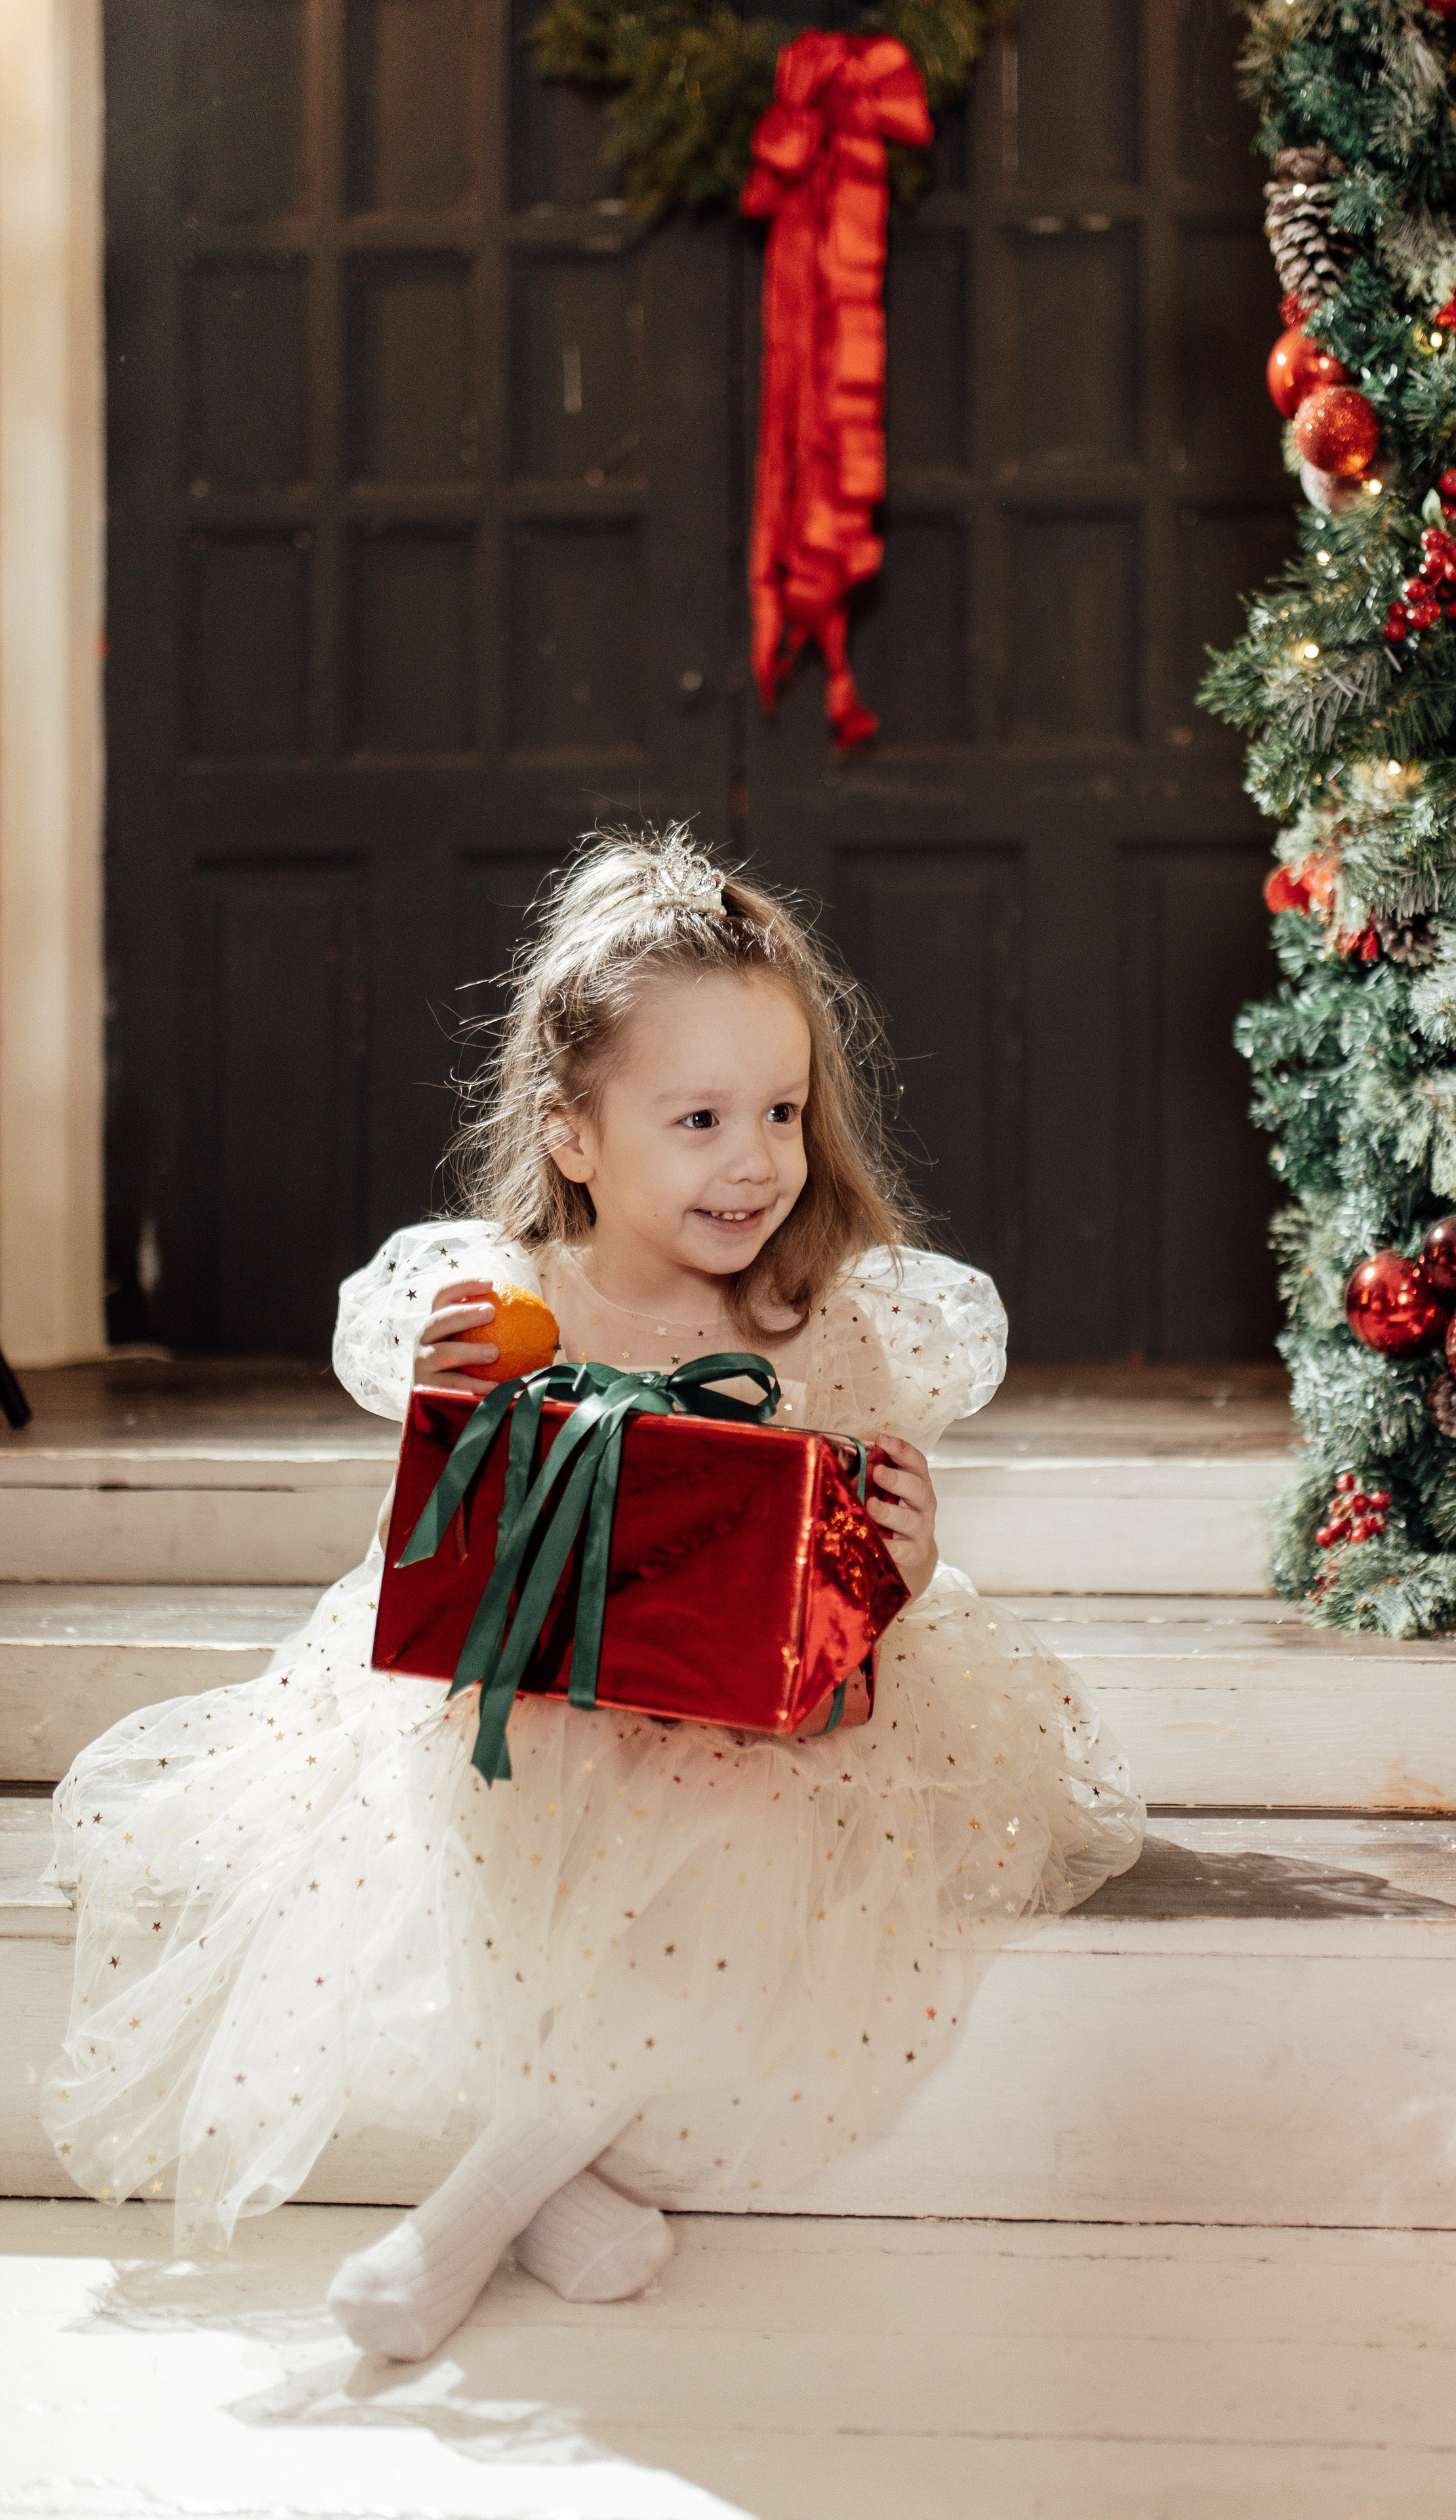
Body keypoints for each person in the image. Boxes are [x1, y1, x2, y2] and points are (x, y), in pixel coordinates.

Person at [43, 829, 1144, 2360]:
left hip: (754, 1719)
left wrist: (891, 1557)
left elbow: (834, 1602)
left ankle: (466, 2219)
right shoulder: (505, 1298)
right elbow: (442, 1533)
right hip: (529, 1678)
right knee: (482, 1802)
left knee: (736, 1835)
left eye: (777, 1110)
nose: (753, 1158)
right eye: (695, 1118)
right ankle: (548, 2178)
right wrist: (452, 1417)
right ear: (573, 1135)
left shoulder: (816, 1322)